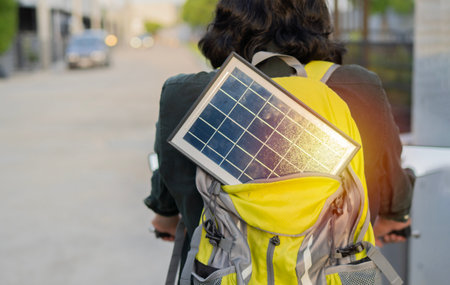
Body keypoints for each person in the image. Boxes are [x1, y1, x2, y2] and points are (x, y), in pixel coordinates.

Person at [145, 0, 414, 270]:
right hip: (337, 275)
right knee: (360, 266)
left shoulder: (185, 94)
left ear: (225, 23)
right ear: (318, 22)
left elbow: (169, 191)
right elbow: (390, 185)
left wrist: (165, 218)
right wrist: (395, 217)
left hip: (222, 274)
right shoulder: (359, 86)